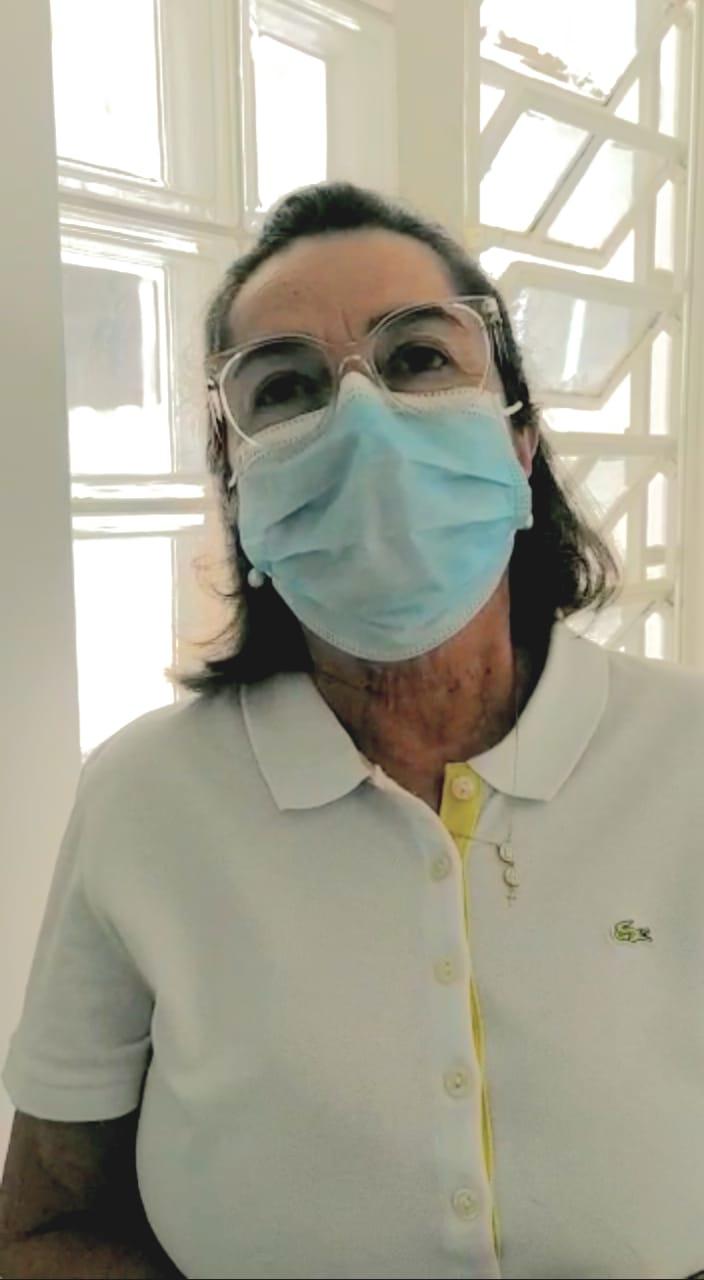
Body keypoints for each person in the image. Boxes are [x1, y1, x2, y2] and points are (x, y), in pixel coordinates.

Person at [2, 181, 704, 1280]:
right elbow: (42, 1226)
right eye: (285, 387)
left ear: (520, 443)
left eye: (418, 358)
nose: (363, 426)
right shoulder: (143, 798)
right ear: (241, 493)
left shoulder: (685, 757)